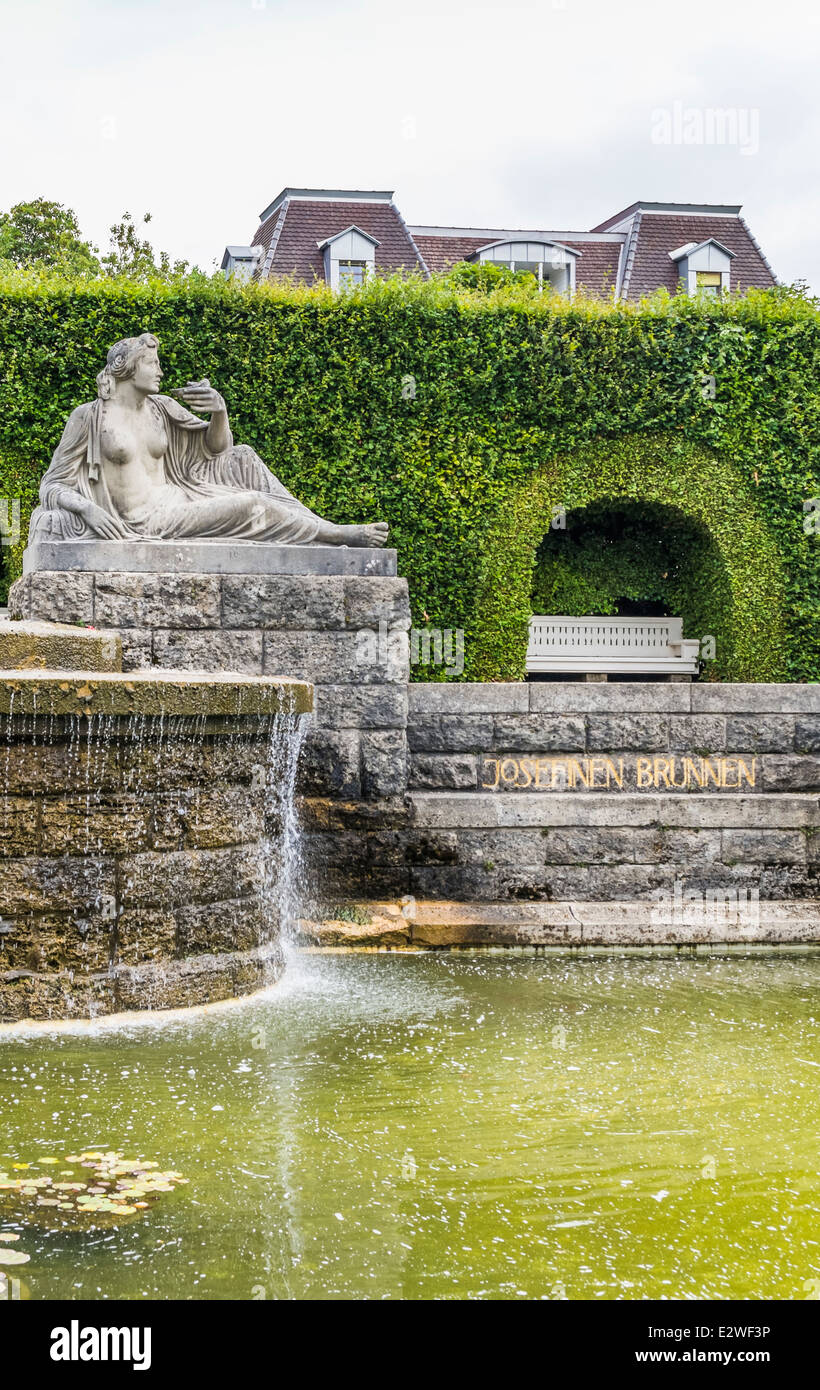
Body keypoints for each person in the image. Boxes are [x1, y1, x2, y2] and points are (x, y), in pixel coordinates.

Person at [29, 332, 390, 548]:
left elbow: (218, 450)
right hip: (149, 521)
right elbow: (52, 484)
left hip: (185, 495)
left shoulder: (162, 408)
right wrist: (88, 509)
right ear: (127, 367)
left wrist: (219, 411)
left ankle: (319, 525)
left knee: (245, 457)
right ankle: (332, 535)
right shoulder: (89, 417)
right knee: (250, 505)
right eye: (152, 363)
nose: (161, 370)